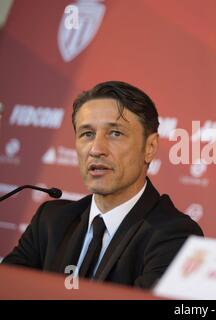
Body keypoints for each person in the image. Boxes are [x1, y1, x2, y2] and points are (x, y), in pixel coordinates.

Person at [2, 81, 204, 289]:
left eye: (115, 133)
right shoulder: (51, 221)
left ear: (150, 147)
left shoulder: (176, 234)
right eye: (87, 134)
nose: (96, 149)